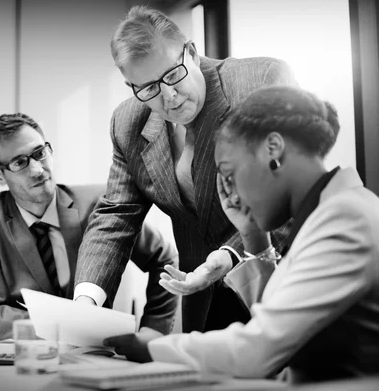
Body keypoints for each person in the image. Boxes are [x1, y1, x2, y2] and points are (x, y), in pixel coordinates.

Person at [103, 85, 379, 383]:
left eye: (230, 174)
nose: (231, 197)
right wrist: (252, 236)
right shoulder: (331, 212)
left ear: (273, 149)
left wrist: (153, 346)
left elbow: (260, 350)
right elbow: (281, 324)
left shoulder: (344, 218)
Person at [74, 5, 298, 333]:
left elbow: (289, 191)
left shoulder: (260, 83)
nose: (169, 96)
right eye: (148, 88)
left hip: (284, 281)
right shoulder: (127, 123)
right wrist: (86, 302)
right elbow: (116, 215)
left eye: (172, 75)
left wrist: (227, 256)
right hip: (203, 298)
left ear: (191, 52)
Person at [0, 113, 179, 341]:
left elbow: (164, 259)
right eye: (20, 162)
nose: (37, 170)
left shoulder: (102, 204)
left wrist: (153, 329)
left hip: (101, 352)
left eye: (39, 154)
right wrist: (64, 323)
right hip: (28, 356)